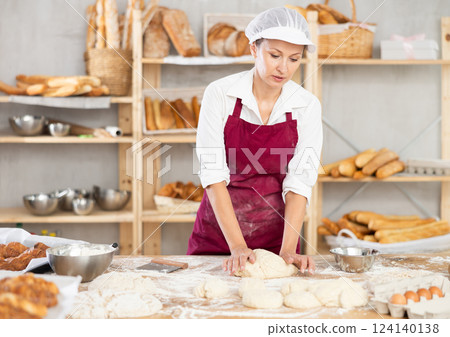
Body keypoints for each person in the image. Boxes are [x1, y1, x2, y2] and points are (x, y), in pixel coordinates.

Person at [187, 7, 323, 276]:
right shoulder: (220, 94)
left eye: (294, 59)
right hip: (219, 238)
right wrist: (237, 246)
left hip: (278, 240)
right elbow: (213, 175)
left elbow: (299, 182)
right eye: (275, 55)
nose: (283, 68)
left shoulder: (306, 105)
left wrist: (287, 249)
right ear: (253, 49)